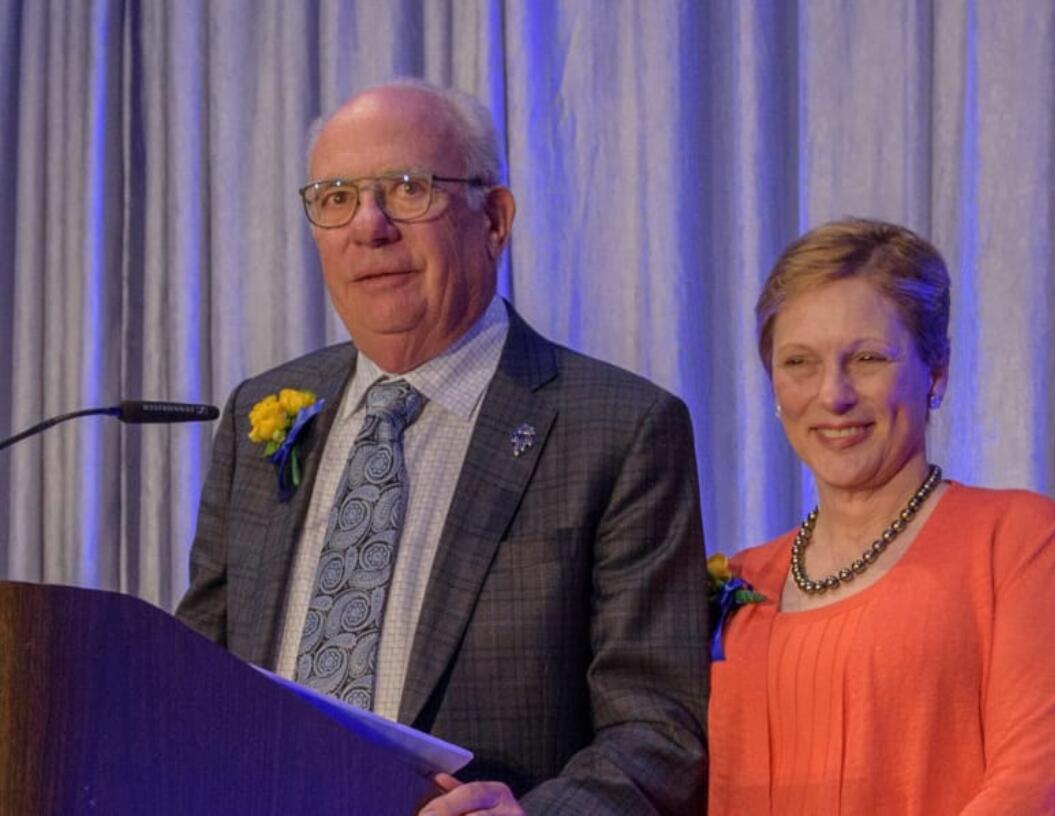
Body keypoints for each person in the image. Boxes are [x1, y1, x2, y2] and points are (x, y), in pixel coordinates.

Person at [175, 78, 708, 815]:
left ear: (494, 218)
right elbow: (196, 677)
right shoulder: (258, 414)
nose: (370, 226)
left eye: (407, 188)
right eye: (335, 198)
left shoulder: (619, 428)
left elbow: (659, 730)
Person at [707, 218, 1055, 815]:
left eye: (866, 358)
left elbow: (1037, 783)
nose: (833, 394)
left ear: (935, 372)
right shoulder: (737, 580)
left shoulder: (1015, 541)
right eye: (799, 363)